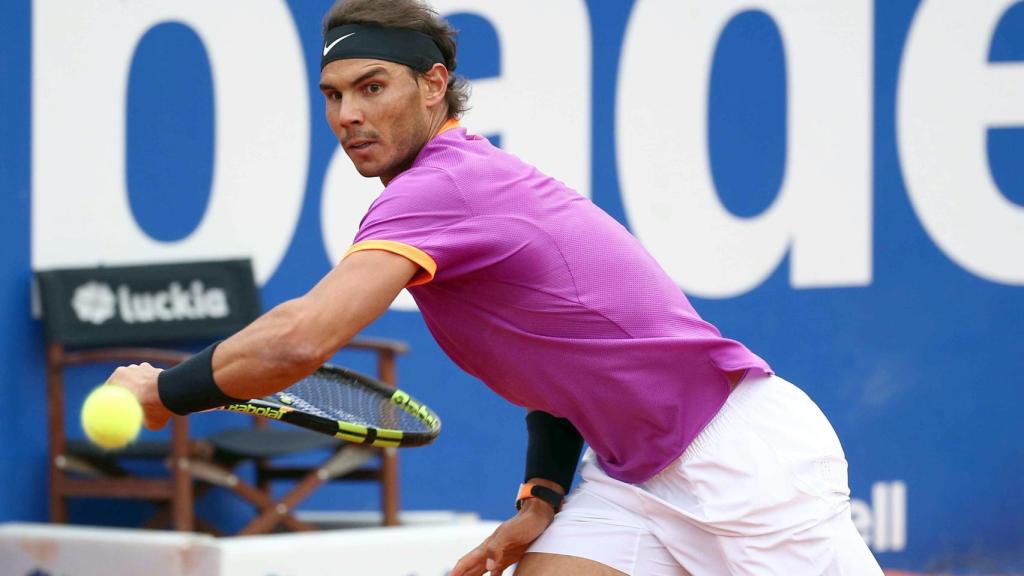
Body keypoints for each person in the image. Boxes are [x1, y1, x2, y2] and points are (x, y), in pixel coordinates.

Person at [109, 1, 884, 574]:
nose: (348, 115)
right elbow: (560, 368)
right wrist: (542, 498)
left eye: (372, 86)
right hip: (630, 479)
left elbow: (300, 339)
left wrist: (164, 392)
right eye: (333, 94)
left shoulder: (444, 189)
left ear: (434, 85)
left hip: (740, 459)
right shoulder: (452, 188)